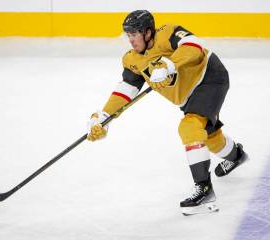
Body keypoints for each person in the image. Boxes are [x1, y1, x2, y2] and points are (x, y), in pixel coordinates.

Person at [86, 10, 248, 215]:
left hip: (209, 77)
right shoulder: (132, 59)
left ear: (147, 32)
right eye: (128, 35)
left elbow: (194, 46)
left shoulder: (167, 33)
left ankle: (204, 189)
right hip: (189, 95)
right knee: (209, 136)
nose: (131, 39)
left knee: (189, 127)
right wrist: (104, 117)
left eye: (134, 34)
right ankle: (237, 155)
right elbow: (126, 88)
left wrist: (169, 63)